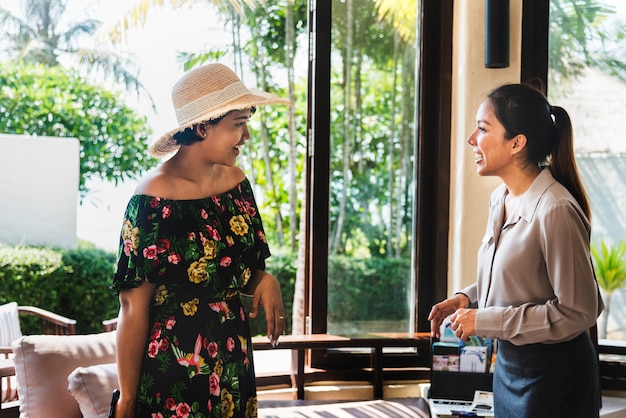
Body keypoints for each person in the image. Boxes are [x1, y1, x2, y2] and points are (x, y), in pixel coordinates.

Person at [110, 63, 289, 418]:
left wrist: (264, 279)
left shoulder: (237, 184)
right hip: (173, 374)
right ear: (202, 127)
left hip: (233, 367)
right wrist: (128, 400)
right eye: (238, 124)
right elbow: (132, 308)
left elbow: (232, 272)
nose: (247, 136)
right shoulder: (151, 200)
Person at [428, 81, 604, 417]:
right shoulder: (501, 199)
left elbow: (578, 311)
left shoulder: (555, 210)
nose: (471, 140)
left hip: (554, 379)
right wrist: (468, 298)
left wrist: (485, 320)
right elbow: (518, 278)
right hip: (509, 370)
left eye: (482, 129)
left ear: (517, 143)